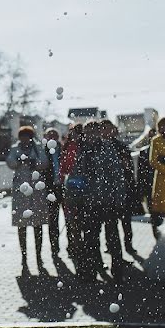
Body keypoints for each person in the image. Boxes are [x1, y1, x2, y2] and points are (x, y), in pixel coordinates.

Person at [70, 120, 130, 282]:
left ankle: (117, 270)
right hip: (89, 202)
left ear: (99, 132)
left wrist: (119, 199)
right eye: (88, 132)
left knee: (112, 237)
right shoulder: (81, 151)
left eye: (94, 132)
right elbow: (76, 175)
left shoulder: (108, 148)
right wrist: (75, 196)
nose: (91, 135)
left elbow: (117, 175)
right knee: (90, 238)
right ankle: (92, 269)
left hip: (107, 200)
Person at [6, 126, 51, 274]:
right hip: (21, 191)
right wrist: (19, 162)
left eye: (27, 136)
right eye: (22, 136)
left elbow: (44, 163)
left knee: (38, 225)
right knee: (21, 225)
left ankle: (38, 256)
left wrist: (33, 163)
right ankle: (24, 256)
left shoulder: (37, 148)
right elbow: (10, 162)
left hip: (36, 191)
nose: (25, 139)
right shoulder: (15, 148)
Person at [100, 120, 139, 256]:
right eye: (103, 128)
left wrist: (124, 169)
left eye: (109, 128)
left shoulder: (120, 146)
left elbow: (128, 169)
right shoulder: (98, 147)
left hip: (123, 188)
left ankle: (128, 245)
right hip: (106, 191)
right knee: (110, 223)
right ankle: (111, 246)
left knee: (126, 221)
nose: (106, 131)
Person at [60, 123, 83, 260]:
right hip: (70, 188)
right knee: (71, 220)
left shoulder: (82, 148)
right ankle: (74, 245)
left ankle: (78, 247)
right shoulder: (68, 147)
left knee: (77, 220)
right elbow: (63, 168)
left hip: (81, 189)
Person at [43, 128, 65, 260]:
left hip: (64, 187)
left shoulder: (63, 149)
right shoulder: (43, 151)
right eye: (50, 136)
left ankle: (72, 246)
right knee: (53, 220)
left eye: (54, 136)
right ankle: (54, 246)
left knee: (69, 220)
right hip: (51, 189)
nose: (52, 138)